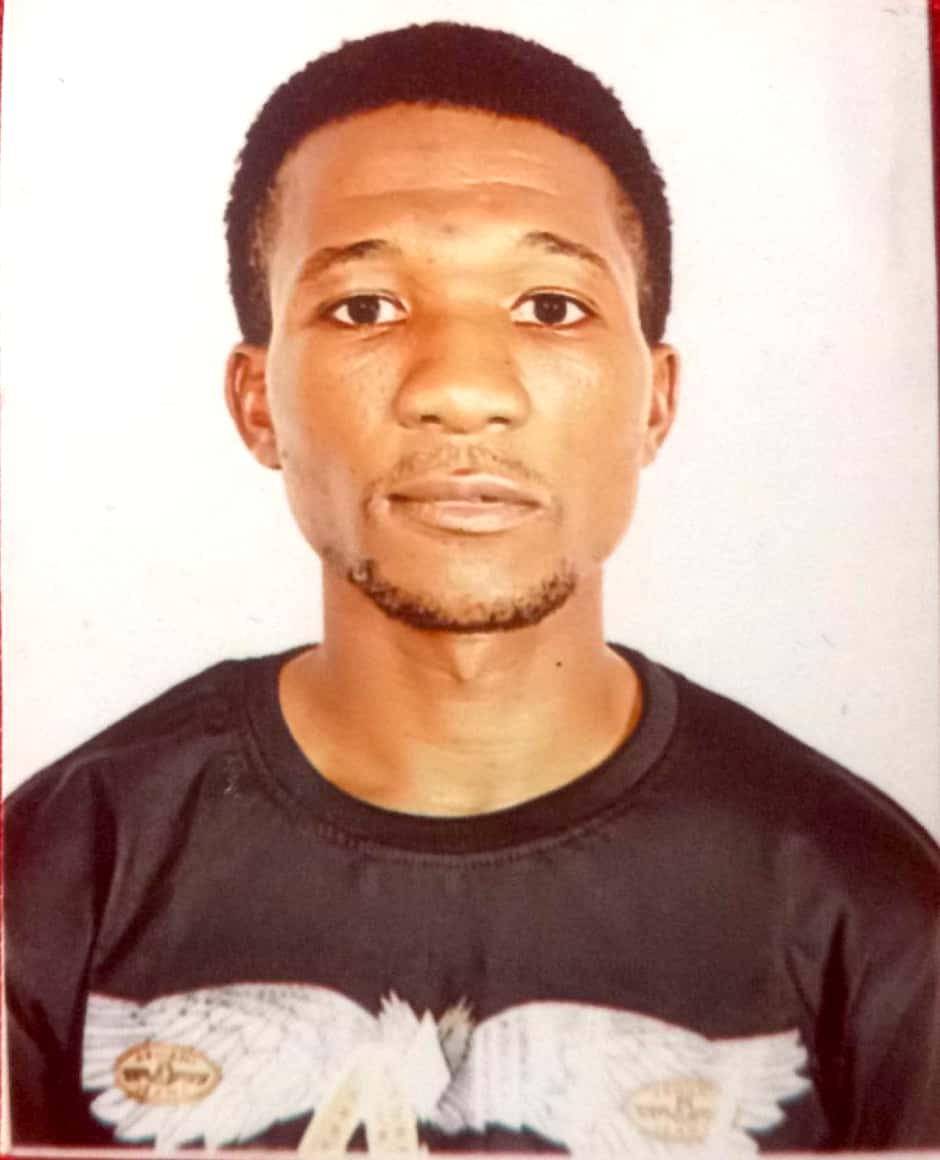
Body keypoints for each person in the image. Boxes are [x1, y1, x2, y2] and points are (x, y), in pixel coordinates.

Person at [4, 21, 938, 1156]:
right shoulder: (58, 874)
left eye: (550, 307)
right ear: (257, 403)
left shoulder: (863, 902)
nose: (460, 389)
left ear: (655, 403)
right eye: (365, 307)